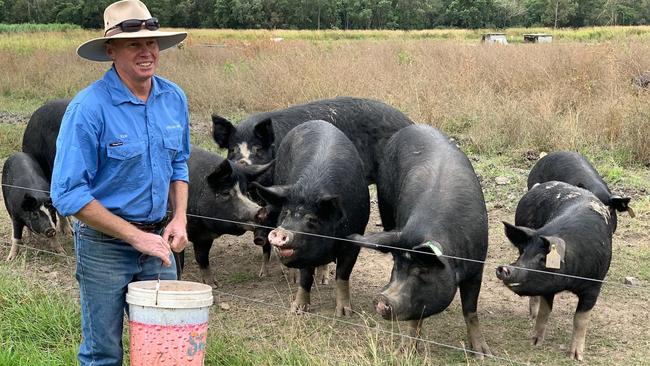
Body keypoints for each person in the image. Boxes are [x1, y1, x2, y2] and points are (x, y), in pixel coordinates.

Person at [50, 1, 190, 364]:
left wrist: (179, 219)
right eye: (134, 44)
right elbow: (67, 193)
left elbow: (179, 165)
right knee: (103, 352)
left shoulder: (173, 98)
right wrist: (133, 236)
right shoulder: (88, 109)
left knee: (168, 347)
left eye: (152, 43)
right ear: (110, 50)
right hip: (104, 247)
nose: (147, 52)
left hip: (158, 242)